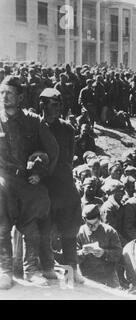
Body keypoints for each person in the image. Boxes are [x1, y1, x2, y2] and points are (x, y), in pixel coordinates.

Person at [0, 76, 59, 289]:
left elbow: (51, 150)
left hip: (26, 179)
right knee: (2, 224)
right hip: (3, 179)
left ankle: (31, 270)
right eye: (2, 92)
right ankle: (5, 270)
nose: (4, 97)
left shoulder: (33, 121)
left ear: (21, 97)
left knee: (32, 221)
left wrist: (40, 172)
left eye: (9, 93)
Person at [40, 88, 84, 283]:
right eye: (54, 104)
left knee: (70, 228)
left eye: (59, 105)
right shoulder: (35, 127)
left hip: (64, 184)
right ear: (42, 104)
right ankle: (47, 267)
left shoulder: (67, 128)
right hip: (44, 185)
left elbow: (69, 158)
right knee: (44, 228)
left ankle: (71, 270)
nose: (58, 109)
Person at [76, 204, 123, 288]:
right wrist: (82, 253)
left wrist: (104, 253)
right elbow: (72, 256)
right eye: (89, 224)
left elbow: (118, 254)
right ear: (84, 220)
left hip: (108, 278)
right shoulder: (79, 233)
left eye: (96, 223)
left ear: (100, 218)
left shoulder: (109, 231)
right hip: (87, 278)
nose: (93, 227)